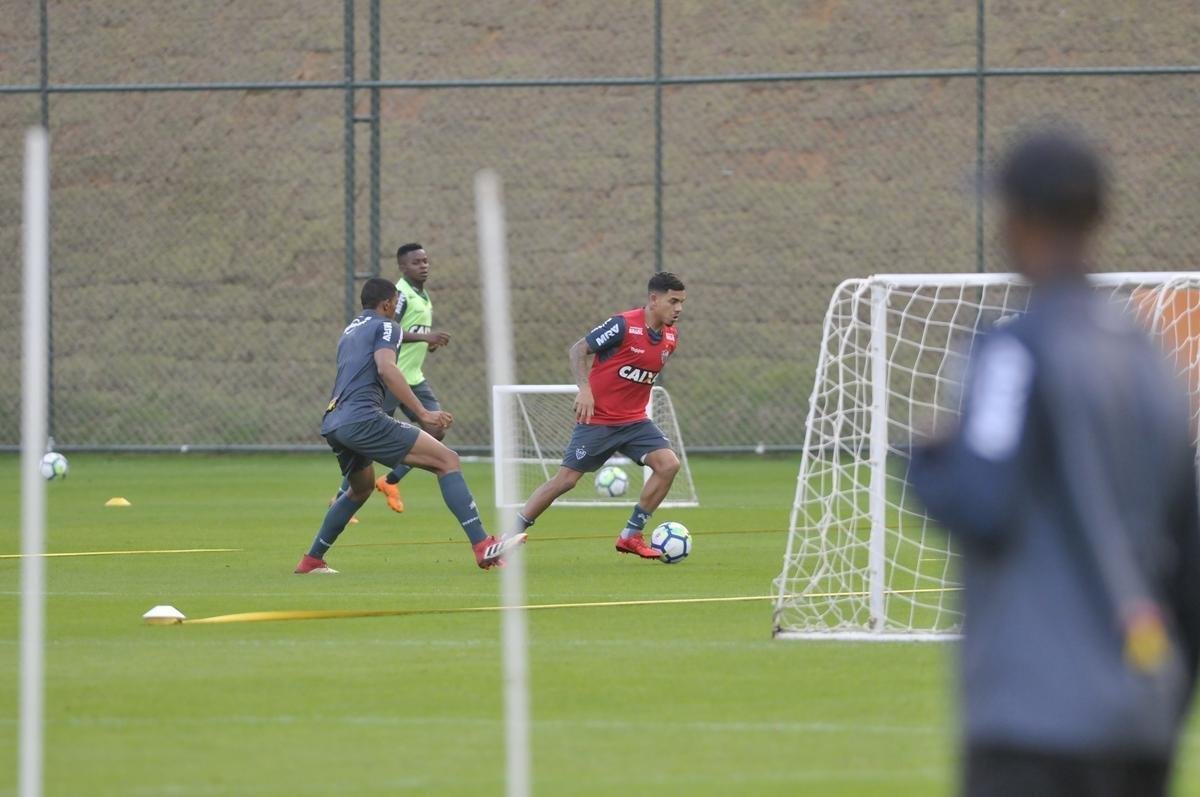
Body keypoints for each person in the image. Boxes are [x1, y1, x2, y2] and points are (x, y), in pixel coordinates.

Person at [907, 130, 1200, 796]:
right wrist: (1160, 709)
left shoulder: (1014, 350)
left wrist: (926, 458)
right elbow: (1191, 563)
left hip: (1032, 724)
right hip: (1138, 724)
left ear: (1019, 220)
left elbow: (981, 500)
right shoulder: (1154, 361)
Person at [295, 277, 525, 574]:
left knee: (360, 489)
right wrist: (423, 413)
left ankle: (312, 560)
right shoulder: (387, 325)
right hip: (364, 418)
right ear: (389, 304)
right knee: (447, 460)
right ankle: (482, 545)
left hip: (335, 421)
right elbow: (387, 367)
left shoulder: (350, 330)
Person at [514, 272, 686, 558]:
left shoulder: (671, 336)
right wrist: (584, 389)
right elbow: (578, 350)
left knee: (668, 465)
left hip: (635, 422)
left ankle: (631, 535)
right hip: (600, 421)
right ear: (654, 299)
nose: (679, 308)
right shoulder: (623, 325)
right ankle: (510, 533)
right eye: (673, 301)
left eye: (682, 302)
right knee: (566, 481)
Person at [372, 243, 453, 513]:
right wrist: (425, 337)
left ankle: (390, 480)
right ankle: (339, 499)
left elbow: (411, 331)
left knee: (437, 429)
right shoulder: (400, 295)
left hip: (414, 378)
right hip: (392, 379)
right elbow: (387, 329)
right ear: (403, 267)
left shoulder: (422, 294)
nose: (424, 266)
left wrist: (427, 343)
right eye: (417, 262)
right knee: (365, 441)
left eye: (426, 261)